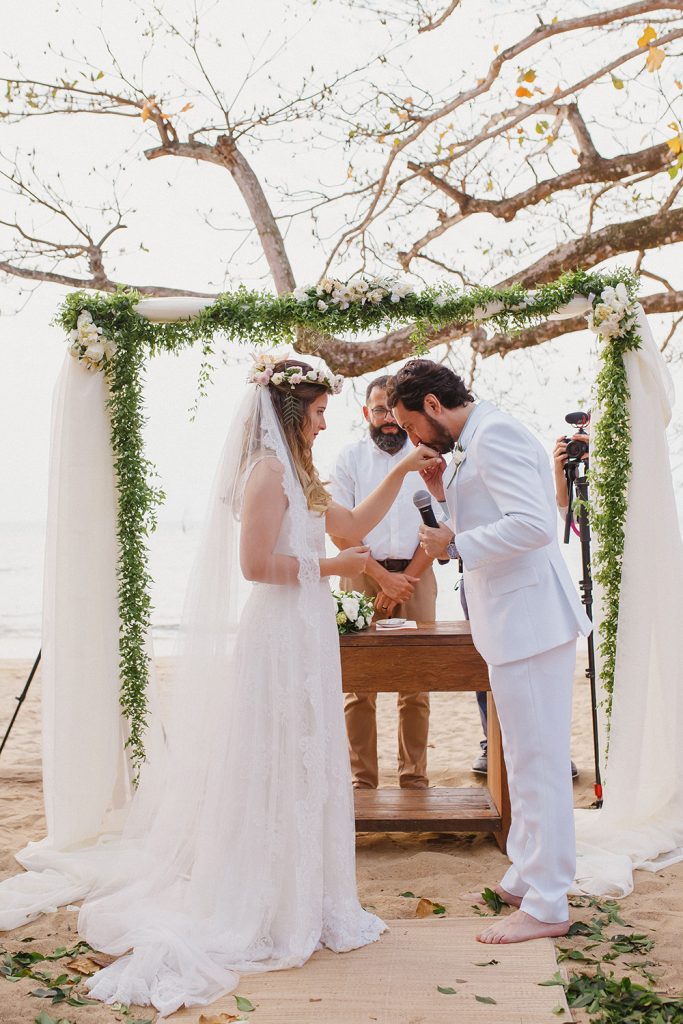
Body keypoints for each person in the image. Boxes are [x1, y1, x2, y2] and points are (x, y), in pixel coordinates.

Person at [0, 356, 440, 1015]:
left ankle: (307, 897)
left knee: (308, 761)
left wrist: (403, 472)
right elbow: (257, 564)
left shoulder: (300, 471)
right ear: (293, 414)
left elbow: (351, 528)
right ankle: (261, 900)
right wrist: (335, 566)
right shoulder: (265, 472)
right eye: (319, 414)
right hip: (278, 633)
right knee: (275, 761)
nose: (325, 425)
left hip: (308, 627)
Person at [387, 359, 591, 945]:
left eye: (411, 426)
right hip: (513, 622)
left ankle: (550, 901)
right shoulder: (475, 440)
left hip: (530, 622)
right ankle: (529, 874)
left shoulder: (495, 433)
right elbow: (489, 522)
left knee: (538, 762)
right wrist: (442, 500)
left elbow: (533, 525)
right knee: (525, 758)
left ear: (431, 405)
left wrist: (456, 540)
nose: (413, 440)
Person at [330, 374, 436, 790]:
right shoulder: (349, 458)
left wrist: (404, 580)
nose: (388, 421)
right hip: (360, 575)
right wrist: (379, 577)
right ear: (366, 413)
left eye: (393, 412)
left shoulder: (428, 456)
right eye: (379, 411)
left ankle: (413, 779)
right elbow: (338, 528)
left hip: (418, 574)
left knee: (417, 682)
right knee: (360, 684)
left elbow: (441, 523)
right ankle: (363, 783)